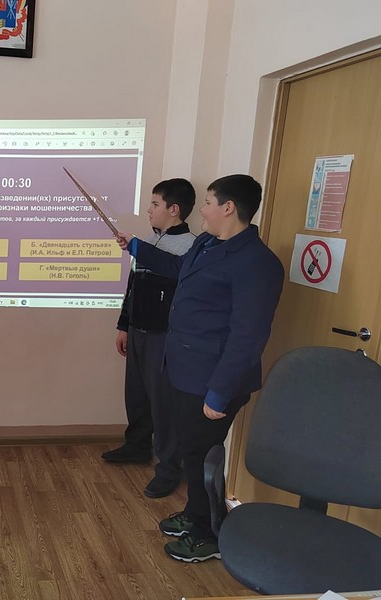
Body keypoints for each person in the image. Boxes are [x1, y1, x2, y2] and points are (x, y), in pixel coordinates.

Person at [116, 174, 284, 563]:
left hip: (213, 381)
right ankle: (196, 515)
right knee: (193, 452)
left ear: (228, 207)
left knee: (203, 456)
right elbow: (177, 269)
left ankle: (209, 534)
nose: (203, 210)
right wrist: (136, 246)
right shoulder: (207, 244)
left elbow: (248, 337)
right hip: (185, 372)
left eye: (208, 202)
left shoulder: (257, 263)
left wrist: (219, 393)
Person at [102, 179, 196, 500]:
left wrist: (137, 247)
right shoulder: (150, 242)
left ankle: (169, 468)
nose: (149, 210)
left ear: (174, 209)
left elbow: (174, 270)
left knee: (163, 403)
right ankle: (137, 445)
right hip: (139, 332)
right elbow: (133, 288)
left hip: (164, 338)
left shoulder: (191, 246)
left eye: (155, 204)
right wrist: (124, 326)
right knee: (137, 394)